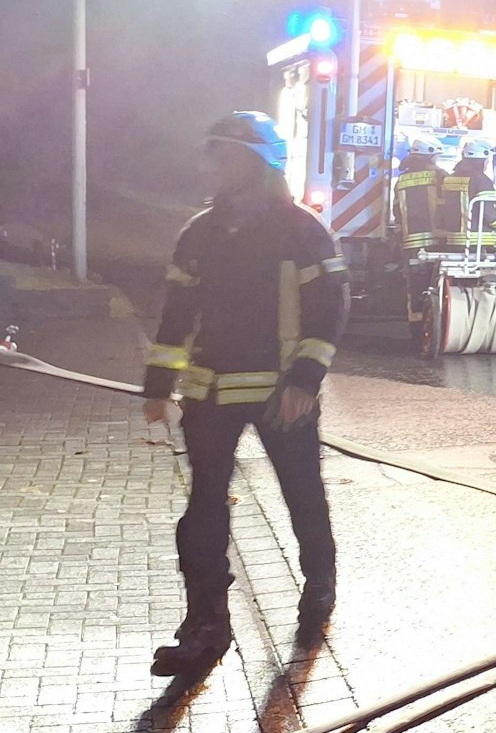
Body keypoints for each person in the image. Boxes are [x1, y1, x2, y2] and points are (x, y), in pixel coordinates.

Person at [141, 112, 349, 674]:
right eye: (214, 153)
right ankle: (206, 624)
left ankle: (320, 584)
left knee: (301, 492)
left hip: (280, 393)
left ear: (259, 162)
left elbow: (329, 307)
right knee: (203, 510)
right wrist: (158, 385)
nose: (215, 164)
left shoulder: (301, 230)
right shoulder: (201, 232)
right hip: (209, 392)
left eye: (227, 154)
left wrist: (305, 381)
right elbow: (177, 314)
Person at [393, 134, 446, 337]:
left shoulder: (402, 179)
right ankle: (436, 324)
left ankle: (417, 326)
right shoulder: (440, 176)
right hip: (435, 241)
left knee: (414, 285)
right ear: (430, 156)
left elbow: (397, 210)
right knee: (436, 283)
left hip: (410, 241)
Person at [439, 138, 496, 252]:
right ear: (482, 160)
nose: (488, 163)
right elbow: (488, 213)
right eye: (487, 160)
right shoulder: (482, 180)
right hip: (478, 241)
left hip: (453, 240)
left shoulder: (449, 179)